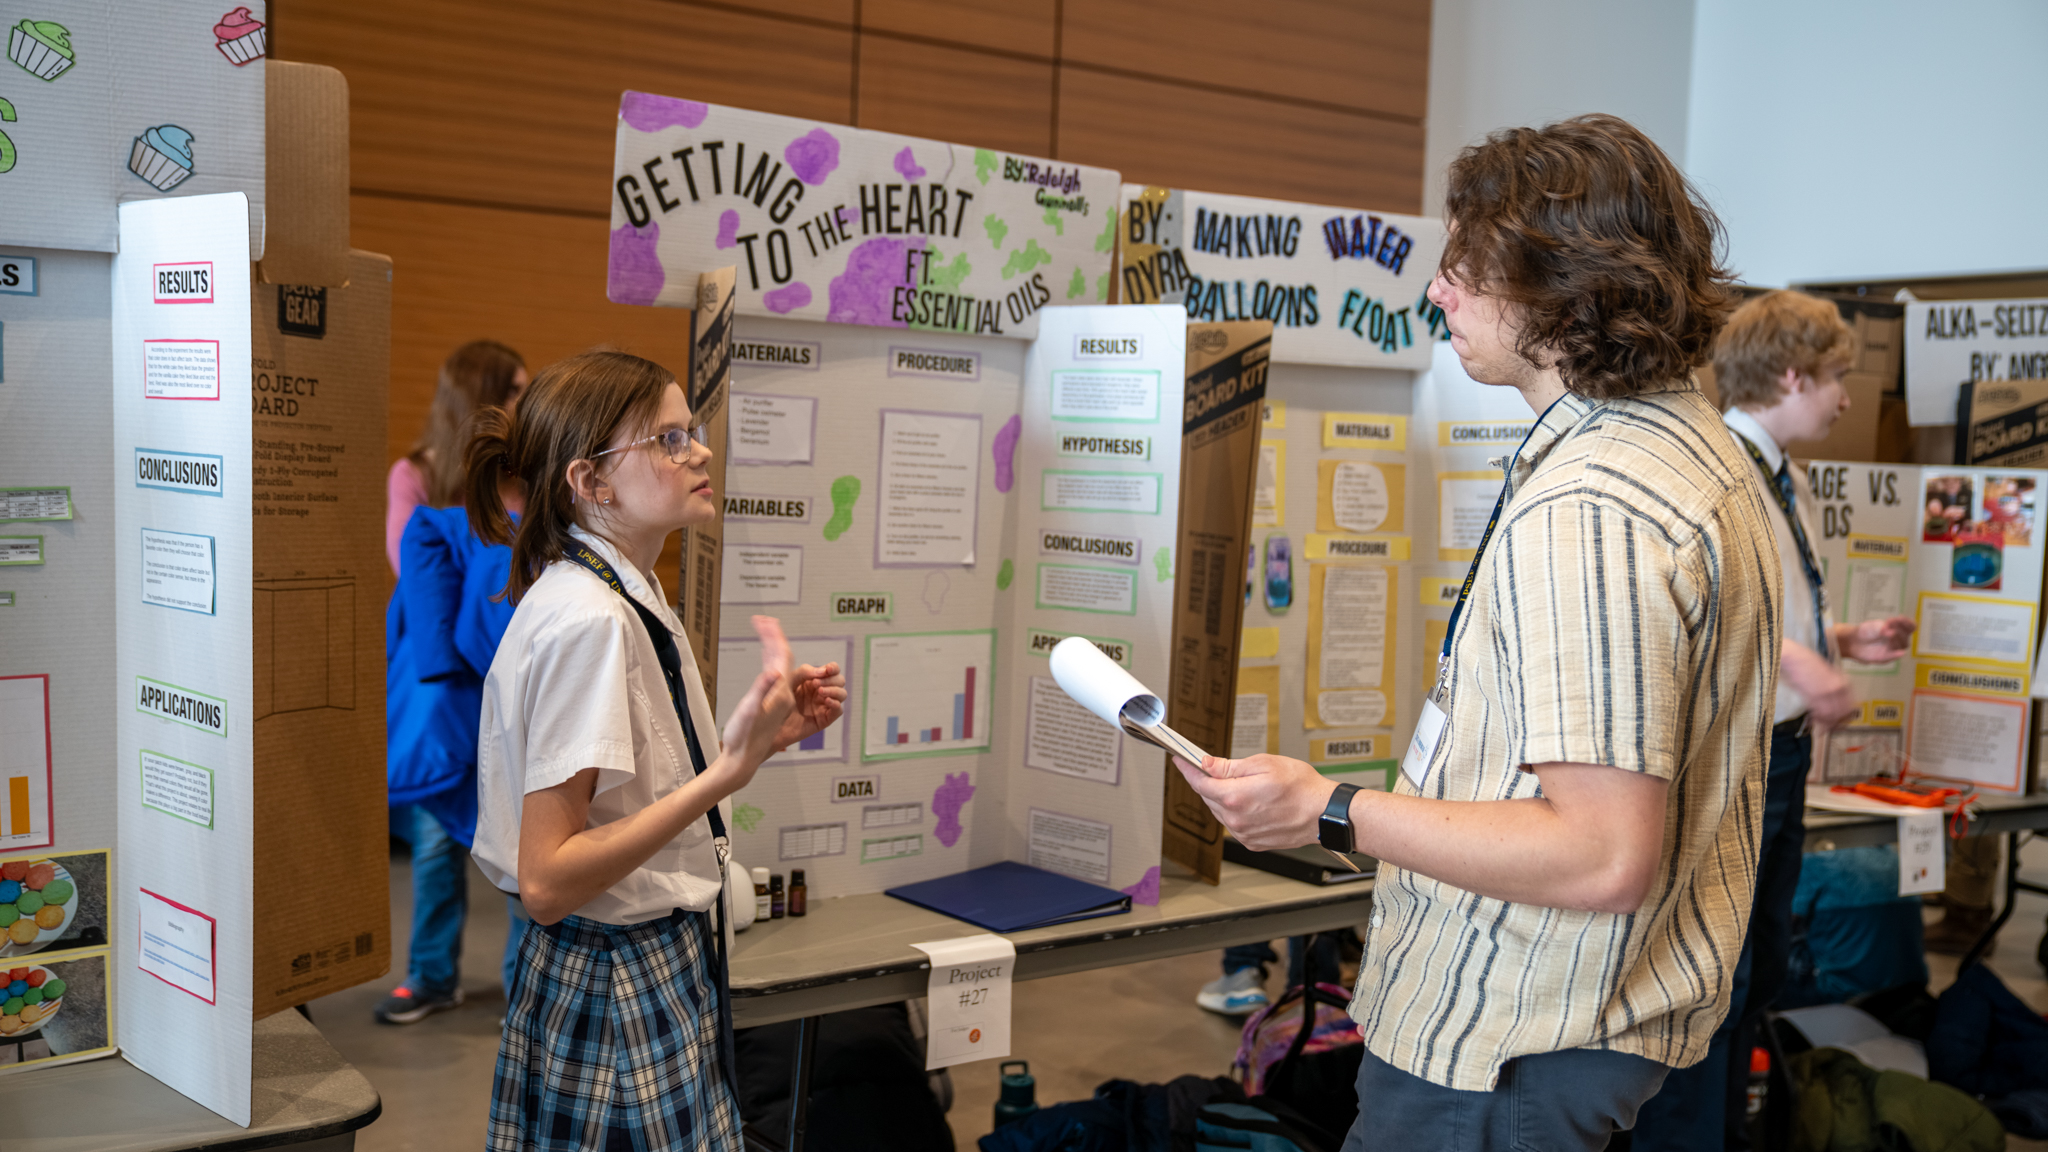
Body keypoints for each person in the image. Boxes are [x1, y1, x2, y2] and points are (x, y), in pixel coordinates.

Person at [1173, 114, 1778, 1151]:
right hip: (1570, 1026)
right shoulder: (1689, 451)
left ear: (1557, 283)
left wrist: (1327, 808)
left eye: (1463, 264)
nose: (1436, 289)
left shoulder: (1594, 505)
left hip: (1510, 1041)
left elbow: (1598, 853)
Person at [465, 350, 845, 1151]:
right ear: (592, 483)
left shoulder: (616, 591)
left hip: (648, 963)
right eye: (669, 440)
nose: (699, 452)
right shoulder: (591, 619)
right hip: (615, 976)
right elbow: (547, 878)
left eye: (692, 433)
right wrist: (727, 776)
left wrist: (756, 747)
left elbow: (626, 791)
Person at [1630, 289, 1915, 1149]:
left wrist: (1835, 639)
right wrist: (1798, 664)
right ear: (1790, 376)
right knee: (1715, 981)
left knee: (1755, 981)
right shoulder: (1723, 473)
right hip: (1744, 759)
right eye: (1835, 377)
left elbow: (1768, 614)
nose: (1847, 398)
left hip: (1780, 758)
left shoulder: (1774, 474)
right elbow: (1708, 615)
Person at [377, 339, 530, 1025]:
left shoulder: (528, 473)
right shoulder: (417, 475)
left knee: (521, 835)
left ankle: (529, 988)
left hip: (510, 678)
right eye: (518, 387)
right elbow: (413, 576)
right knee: (442, 835)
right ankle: (432, 975)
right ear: (486, 397)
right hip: (451, 685)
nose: (529, 399)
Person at [387, 340, 528, 576]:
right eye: (514, 391)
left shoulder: (525, 473)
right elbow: (412, 569)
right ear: (479, 399)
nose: (524, 404)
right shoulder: (413, 475)